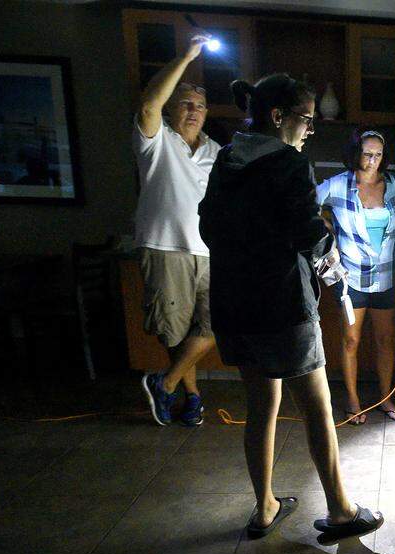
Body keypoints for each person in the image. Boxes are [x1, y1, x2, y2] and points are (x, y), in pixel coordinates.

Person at [198, 73, 383, 539]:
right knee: (318, 406)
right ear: (278, 117)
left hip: (234, 307)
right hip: (282, 305)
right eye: (305, 119)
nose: (309, 129)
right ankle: (342, 510)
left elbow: (207, 228)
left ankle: (264, 508)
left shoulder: (227, 161)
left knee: (262, 403)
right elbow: (307, 234)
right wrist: (332, 263)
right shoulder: (288, 163)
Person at [133, 34, 221, 427]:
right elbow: (149, 103)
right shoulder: (155, 141)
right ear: (170, 108)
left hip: (210, 252)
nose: (193, 110)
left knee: (215, 324)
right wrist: (186, 56)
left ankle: (165, 384)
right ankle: (192, 398)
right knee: (174, 332)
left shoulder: (215, 151)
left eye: (200, 106)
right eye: (185, 103)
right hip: (166, 247)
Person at [315, 130, 395, 424]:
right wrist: (331, 228)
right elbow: (307, 204)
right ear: (356, 153)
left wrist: (389, 232)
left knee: (385, 339)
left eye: (378, 155)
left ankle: (386, 399)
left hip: (385, 276)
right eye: (367, 154)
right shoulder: (339, 185)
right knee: (350, 340)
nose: (372, 160)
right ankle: (353, 400)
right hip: (351, 277)